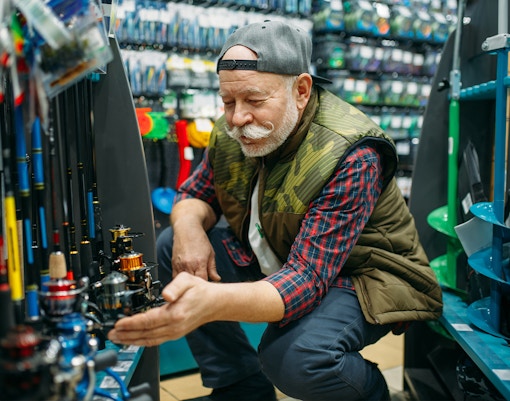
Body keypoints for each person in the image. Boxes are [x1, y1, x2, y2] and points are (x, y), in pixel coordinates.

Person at [108, 19, 443, 401]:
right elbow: (195, 193)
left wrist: (208, 303)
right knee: (173, 245)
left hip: (366, 274)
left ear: (301, 90)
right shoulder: (233, 130)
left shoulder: (351, 154)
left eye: (253, 100)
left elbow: (307, 278)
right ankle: (241, 387)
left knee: (296, 358)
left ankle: (371, 395)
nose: (237, 118)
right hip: (286, 252)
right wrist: (187, 229)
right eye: (228, 101)